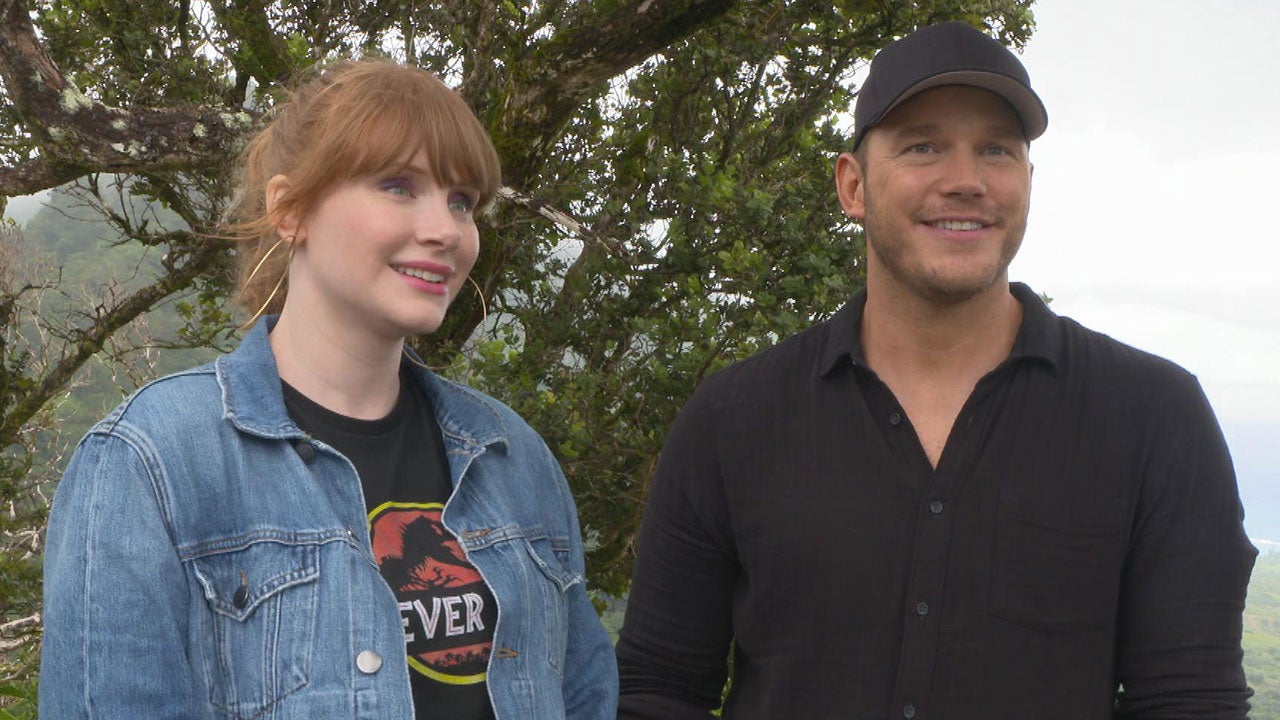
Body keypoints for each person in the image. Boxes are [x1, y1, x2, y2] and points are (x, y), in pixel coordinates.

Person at [616, 21, 1255, 720]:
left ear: (1028, 184)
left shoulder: (1155, 418)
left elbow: (1191, 701)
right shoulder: (733, 419)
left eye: (996, 150)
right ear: (853, 185)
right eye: (923, 146)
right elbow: (659, 689)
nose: (965, 181)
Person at [40, 59, 618, 719]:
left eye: (462, 201)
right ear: (291, 210)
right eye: (399, 186)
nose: (446, 230)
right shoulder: (150, 462)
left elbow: (586, 695)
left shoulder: (513, 457)